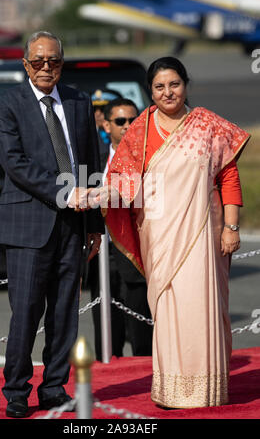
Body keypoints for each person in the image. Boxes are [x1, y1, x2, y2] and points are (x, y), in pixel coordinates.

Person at [94, 57, 250, 408]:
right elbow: (123, 183)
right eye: (159, 87)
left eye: (174, 84)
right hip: (160, 236)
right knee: (167, 309)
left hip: (203, 233)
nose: (168, 92)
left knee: (202, 306)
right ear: (150, 92)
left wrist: (231, 226)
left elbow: (228, 177)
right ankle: (172, 391)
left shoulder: (208, 125)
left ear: (185, 83)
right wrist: (93, 195)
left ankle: (205, 390)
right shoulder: (140, 129)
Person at [0, 31, 104, 418]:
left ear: (62, 63)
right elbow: (15, 163)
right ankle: (16, 391)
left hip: (74, 227)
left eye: (52, 61)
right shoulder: (6, 103)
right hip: (27, 224)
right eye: (37, 61)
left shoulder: (78, 100)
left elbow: (89, 162)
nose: (45, 68)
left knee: (64, 314)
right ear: (25, 64)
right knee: (25, 311)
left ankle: (54, 386)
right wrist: (66, 195)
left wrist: (95, 224)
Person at [89, 98, 153, 360]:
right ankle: (106, 379)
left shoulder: (148, 162)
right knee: (106, 331)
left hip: (136, 255)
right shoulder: (94, 162)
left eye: (133, 120)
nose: (128, 126)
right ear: (106, 125)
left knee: (141, 331)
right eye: (120, 121)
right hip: (102, 254)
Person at [91, 89, 122, 157]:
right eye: (94, 109)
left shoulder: (127, 135)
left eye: (103, 109)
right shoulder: (86, 138)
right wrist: (83, 168)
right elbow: (83, 163)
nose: (97, 113)